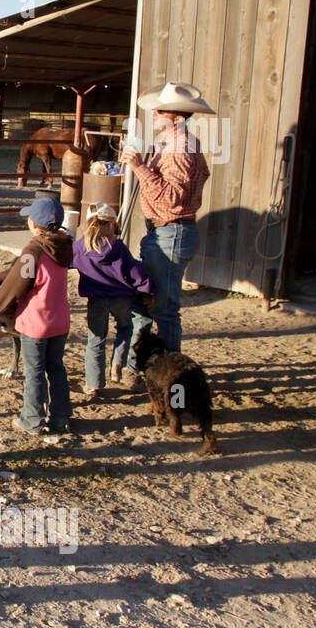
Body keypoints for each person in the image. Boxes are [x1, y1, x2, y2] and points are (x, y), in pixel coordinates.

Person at [120, 82, 214, 378]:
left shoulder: (179, 149)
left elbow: (174, 197)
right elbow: (201, 178)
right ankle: (143, 366)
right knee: (148, 301)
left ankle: (172, 374)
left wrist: (139, 167)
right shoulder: (179, 144)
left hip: (170, 232)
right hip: (166, 232)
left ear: (176, 116)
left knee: (163, 308)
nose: (155, 113)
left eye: (160, 110)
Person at [0, 198, 75, 435]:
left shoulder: (34, 249)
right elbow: (23, 270)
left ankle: (32, 420)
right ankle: (61, 417)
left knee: (34, 372)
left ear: (35, 224)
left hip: (36, 324)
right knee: (57, 368)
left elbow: (16, 285)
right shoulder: (63, 246)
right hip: (60, 322)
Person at [72, 203, 155, 399]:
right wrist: (148, 291)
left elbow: (62, 262)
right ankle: (117, 365)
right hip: (121, 299)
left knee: (96, 339)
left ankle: (93, 384)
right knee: (126, 329)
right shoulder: (118, 247)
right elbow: (135, 272)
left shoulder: (79, 247)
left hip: (96, 301)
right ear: (111, 224)